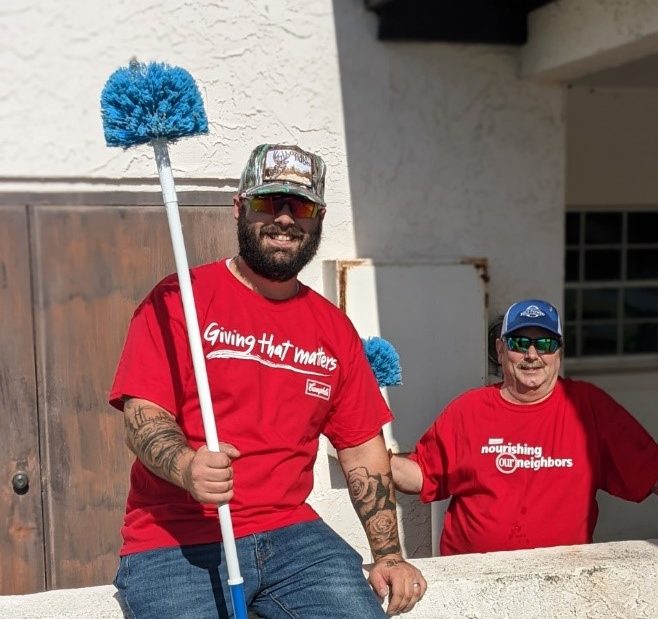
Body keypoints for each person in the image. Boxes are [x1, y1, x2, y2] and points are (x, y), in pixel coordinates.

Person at [109, 144, 426, 617]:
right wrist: (186, 467)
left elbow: (361, 446)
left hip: (293, 536)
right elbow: (142, 415)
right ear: (240, 208)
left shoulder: (333, 329)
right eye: (267, 203)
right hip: (179, 540)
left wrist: (388, 555)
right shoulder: (181, 298)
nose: (283, 218)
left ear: (317, 218)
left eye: (299, 206)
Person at [391, 298, 658, 556]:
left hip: (562, 584)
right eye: (519, 343)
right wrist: (366, 448)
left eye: (545, 344)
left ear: (559, 350)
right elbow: (422, 473)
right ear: (500, 350)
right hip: (474, 587)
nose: (532, 355)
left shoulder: (588, 408)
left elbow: (654, 471)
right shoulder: (468, 410)